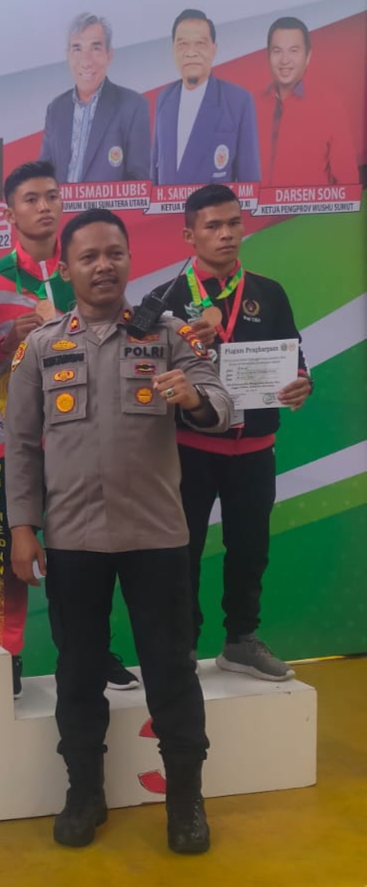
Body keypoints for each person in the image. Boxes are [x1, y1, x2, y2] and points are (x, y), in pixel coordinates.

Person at [5, 208, 233, 854]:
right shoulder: (42, 346)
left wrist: (192, 398)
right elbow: (20, 443)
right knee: (77, 671)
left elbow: (220, 404)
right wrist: (22, 527)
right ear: (67, 268)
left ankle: (185, 801)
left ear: (129, 260)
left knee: (171, 669)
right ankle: (84, 793)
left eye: (113, 253)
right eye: (88, 256)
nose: (102, 265)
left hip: (155, 535)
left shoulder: (167, 335)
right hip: (72, 539)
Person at [0, 161, 138, 697]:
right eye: (30, 199)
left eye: (51, 196)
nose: (44, 206)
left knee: (91, 551)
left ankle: (92, 650)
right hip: (17, 437)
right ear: (9, 213)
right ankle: (8, 655)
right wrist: (8, 342)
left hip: (89, 433)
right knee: (13, 550)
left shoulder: (88, 266)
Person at [157, 184, 312, 680]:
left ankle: (240, 640)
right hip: (189, 449)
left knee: (250, 548)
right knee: (182, 551)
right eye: (213, 226)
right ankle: (182, 646)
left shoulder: (269, 292)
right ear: (190, 235)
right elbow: (142, 372)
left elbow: (295, 356)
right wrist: (184, 339)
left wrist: (302, 382)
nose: (226, 234)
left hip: (255, 449)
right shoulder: (166, 299)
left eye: (233, 223)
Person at [152, 9, 260, 185]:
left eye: (200, 44)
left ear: (213, 49)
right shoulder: (164, 98)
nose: (191, 53)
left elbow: (250, 183)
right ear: (173, 50)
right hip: (168, 203)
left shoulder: (238, 101)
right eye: (182, 44)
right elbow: (155, 173)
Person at [39, 13, 151, 184]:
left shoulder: (133, 106)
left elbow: (140, 182)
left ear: (109, 55)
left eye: (95, 48)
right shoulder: (56, 109)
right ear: (67, 55)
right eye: (77, 49)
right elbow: (42, 178)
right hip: (62, 202)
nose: (86, 61)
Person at [255, 16, 359, 187]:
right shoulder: (249, 105)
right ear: (268, 55)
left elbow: (348, 182)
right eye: (277, 51)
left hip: (309, 205)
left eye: (294, 50)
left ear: (308, 56)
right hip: (257, 204)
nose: (285, 60)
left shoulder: (329, 106)